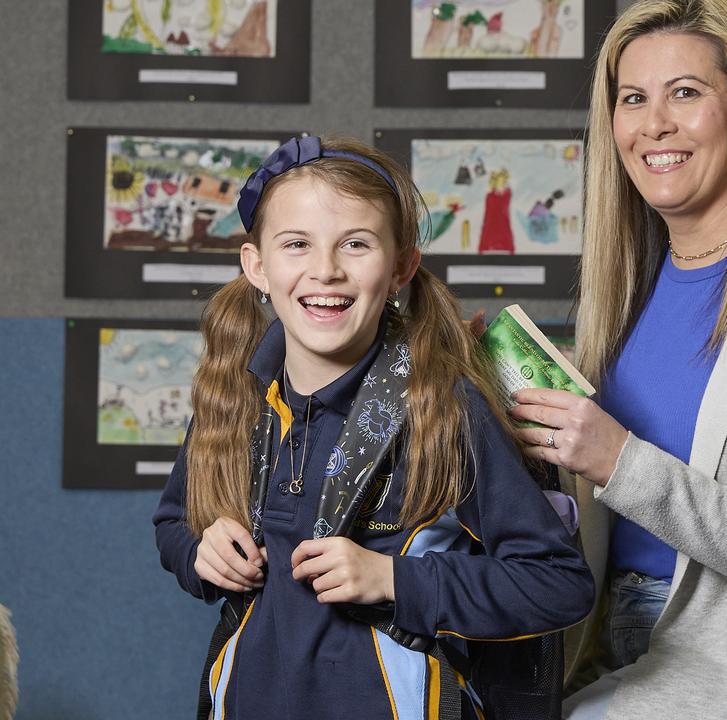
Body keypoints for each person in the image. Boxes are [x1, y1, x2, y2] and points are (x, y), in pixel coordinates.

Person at [153, 136, 594, 719]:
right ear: (256, 266)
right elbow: (172, 522)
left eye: (355, 244)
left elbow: (558, 584)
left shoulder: (444, 408)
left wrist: (393, 579)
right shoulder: (232, 399)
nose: (326, 270)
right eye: (297, 245)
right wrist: (198, 551)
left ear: (401, 268)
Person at [506, 1, 727, 718]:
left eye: (685, 93)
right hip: (595, 633)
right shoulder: (626, 291)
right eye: (633, 98)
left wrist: (619, 459)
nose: (653, 124)